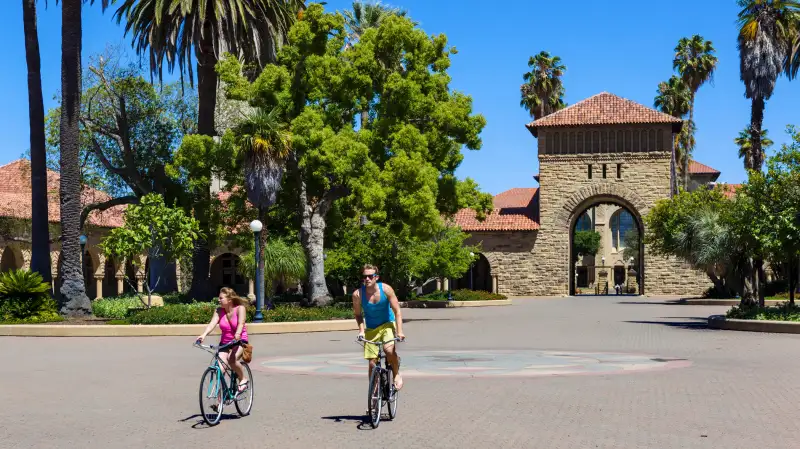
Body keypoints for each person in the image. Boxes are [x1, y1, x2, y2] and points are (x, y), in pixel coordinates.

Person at [352, 264, 405, 390]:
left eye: (370, 276)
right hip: (371, 328)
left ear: (377, 277)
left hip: (387, 324)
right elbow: (358, 315)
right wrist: (361, 331)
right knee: (372, 363)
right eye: (365, 277)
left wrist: (400, 331)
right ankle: (374, 394)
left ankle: (396, 373)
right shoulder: (357, 295)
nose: (367, 279)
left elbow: (397, 311)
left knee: (388, 350)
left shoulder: (386, 289)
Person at [197, 287, 250, 394]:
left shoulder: (240, 308)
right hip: (225, 343)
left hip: (239, 341)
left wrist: (238, 333)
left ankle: (243, 378)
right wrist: (203, 335)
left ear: (229, 299)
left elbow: (241, 323)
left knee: (232, 359)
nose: (218, 300)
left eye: (221, 298)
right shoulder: (218, 311)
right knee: (219, 370)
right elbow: (212, 324)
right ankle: (220, 400)